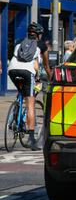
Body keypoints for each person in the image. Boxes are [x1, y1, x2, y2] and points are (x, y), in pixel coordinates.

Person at [7, 22, 45, 150]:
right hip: (28, 73)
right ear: (38, 35)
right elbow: (35, 66)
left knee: (21, 91)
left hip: (12, 71)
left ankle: (15, 116)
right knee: (30, 104)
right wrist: (39, 78)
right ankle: (32, 139)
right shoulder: (39, 46)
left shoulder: (19, 44)